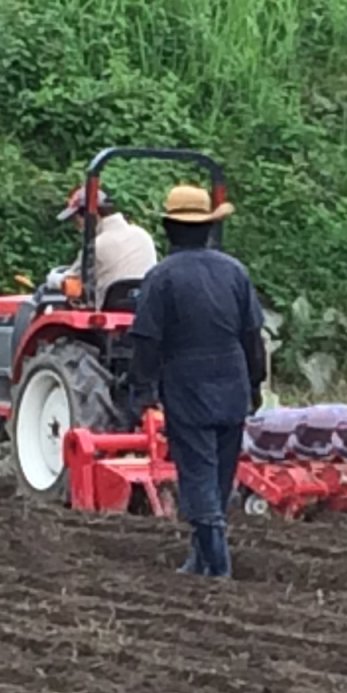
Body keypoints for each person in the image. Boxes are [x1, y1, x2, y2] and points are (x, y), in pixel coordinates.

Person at [128, 185, 266, 579]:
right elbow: (253, 338)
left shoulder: (161, 278)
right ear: (208, 228)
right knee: (220, 476)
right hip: (234, 383)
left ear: (168, 228)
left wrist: (143, 391)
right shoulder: (235, 272)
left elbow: (146, 342)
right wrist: (254, 386)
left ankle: (218, 567)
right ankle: (199, 560)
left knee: (198, 476)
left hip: (188, 386)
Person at [52, 186, 157, 306]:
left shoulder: (96, 246)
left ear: (91, 216)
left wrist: (53, 279)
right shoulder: (143, 235)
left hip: (107, 311)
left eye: (77, 220)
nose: (77, 226)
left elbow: (72, 282)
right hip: (143, 307)